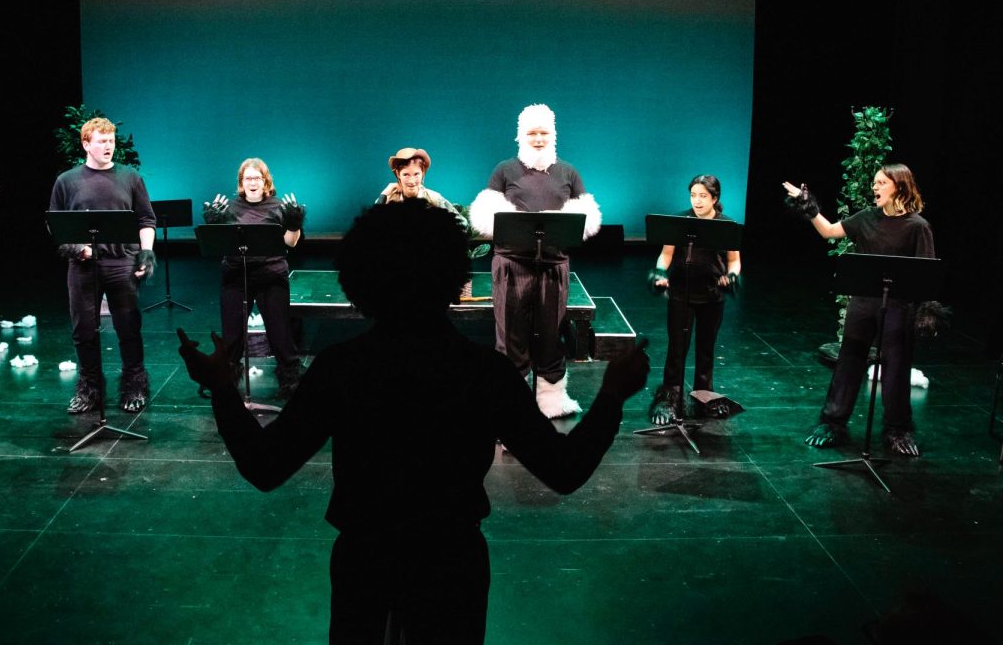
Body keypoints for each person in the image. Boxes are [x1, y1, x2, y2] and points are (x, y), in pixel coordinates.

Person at [177, 201, 650, 644]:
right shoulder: (484, 372)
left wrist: (222, 388)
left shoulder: (342, 368)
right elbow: (564, 470)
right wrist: (610, 397)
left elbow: (265, 466)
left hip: (365, 561)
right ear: (451, 277)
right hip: (453, 562)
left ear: (359, 281)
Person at [783, 163, 934, 456]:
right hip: (864, 302)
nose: (874, 188)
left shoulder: (918, 226)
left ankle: (897, 429)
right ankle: (833, 422)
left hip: (899, 306)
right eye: (874, 183)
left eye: (881, 183)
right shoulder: (867, 217)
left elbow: (926, 274)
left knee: (896, 368)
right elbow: (829, 231)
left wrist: (924, 311)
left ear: (899, 186)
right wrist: (807, 205)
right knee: (849, 360)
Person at [469, 104, 601, 418]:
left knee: (551, 333)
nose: (538, 139)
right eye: (532, 133)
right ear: (521, 136)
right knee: (510, 336)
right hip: (512, 266)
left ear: (552, 135)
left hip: (553, 267)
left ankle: (551, 401)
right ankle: (510, 404)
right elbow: (486, 214)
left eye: (544, 133)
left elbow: (587, 217)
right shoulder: (505, 170)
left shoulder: (567, 171)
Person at [49, 117, 157, 414]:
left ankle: (135, 385)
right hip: (83, 264)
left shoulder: (130, 177)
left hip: (121, 261)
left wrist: (146, 253)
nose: (108, 146)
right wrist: (77, 249)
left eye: (111, 141)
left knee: (128, 326)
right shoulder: (67, 181)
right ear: (86, 144)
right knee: (83, 329)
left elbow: (146, 219)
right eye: (101, 141)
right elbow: (55, 226)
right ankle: (89, 389)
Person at [202, 157, 305, 398]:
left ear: (266, 181)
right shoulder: (230, 208)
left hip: (271, 276)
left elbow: (291, 242)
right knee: (232, 336)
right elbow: (217, 246)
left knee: (280, 333)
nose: (252, 182)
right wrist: (214, 224)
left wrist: (294, 223)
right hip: (236, 275)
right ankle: (224, 380)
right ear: (241, 183)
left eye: (257, 178)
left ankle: (291, 379)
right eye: (248, 178)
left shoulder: (279, 206)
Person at [646, 175, 742, 423]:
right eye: (693, 195)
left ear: (715, 198)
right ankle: (669, 399)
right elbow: (665, 255)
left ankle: (704, 397)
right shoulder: (680, 221)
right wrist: (659, 273)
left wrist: (731, 277)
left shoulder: (726, 225)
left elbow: (734, 261)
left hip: (712, 296)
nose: (697, 201)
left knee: (706, 350)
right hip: (681, 293)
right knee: (677, 349)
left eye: (703, 196)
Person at [375, 147, 467, 228]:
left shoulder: (434, 198)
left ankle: (458, 207)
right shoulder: (389, 199)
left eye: (416, 174)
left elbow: (464, 226)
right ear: (398, 174)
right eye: (406, 174)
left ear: (423, 173)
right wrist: (385, 193)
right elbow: (372, 226)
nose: (411, 181)